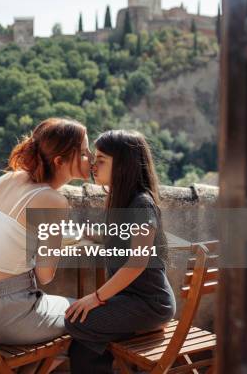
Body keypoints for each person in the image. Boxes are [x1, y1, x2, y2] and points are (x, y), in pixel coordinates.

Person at [0, 117, 92, 346]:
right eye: (83, 153)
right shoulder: (53, 201)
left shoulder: (6, 179)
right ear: (60, 161)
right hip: (10, 314)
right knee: (89, 313)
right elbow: (45, 276)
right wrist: (53, 243)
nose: (90, 158)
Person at [64, 129, 176, 373]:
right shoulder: (123, 201)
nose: (93, 164)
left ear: (124, 164)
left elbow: (136, 262)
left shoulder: (141, 204)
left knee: (76, 321)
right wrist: (89, 233)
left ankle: (142, 327)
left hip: (151, 304)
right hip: (131, 300)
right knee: (82, 342)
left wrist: (95, 298)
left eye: (101, 160)